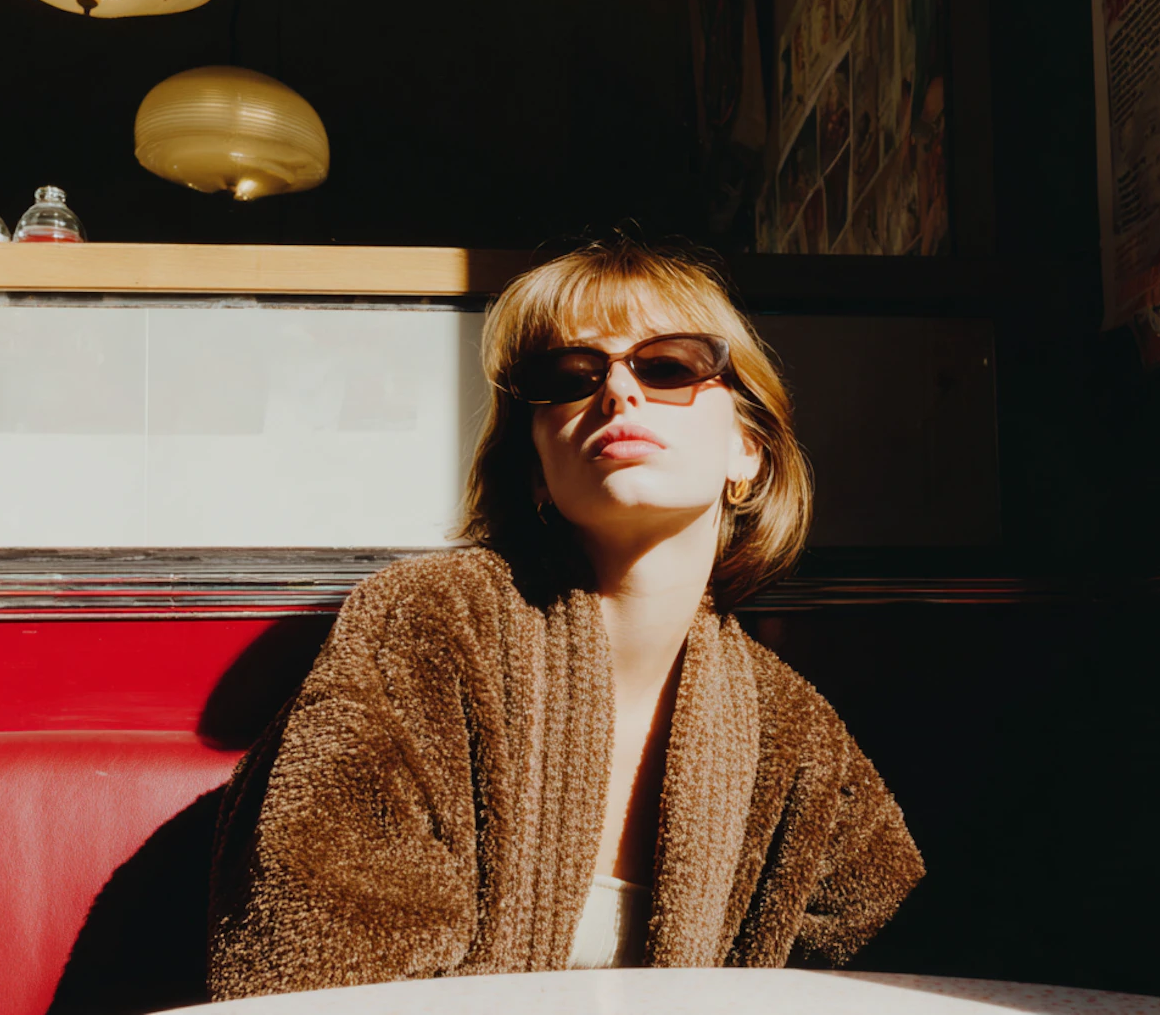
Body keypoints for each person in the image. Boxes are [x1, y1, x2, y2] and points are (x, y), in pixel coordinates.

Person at [207, 240, 924, 998]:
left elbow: (900, 967)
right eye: (568, 378)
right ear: (536, 471)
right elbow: (324, 971)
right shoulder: (427, 626)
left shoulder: (794, 736)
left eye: (669, 365)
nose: (618, 391)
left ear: (746, 449)